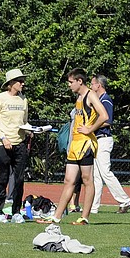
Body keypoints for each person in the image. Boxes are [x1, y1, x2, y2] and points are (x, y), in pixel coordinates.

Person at [44, 68, 109, 225]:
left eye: (71, 82)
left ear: (80, 81)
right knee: (69, 180)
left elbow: (104, 116)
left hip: (85, 144)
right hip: (75, 144)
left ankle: (84, 217)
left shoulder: (90, 95)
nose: (69, 85)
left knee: (87, 180)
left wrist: (90, 129)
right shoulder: (79, 97)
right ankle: (56, 216)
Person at [0, 69, 29, 219]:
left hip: (20, 144)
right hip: (3, 144)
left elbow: (23, 122)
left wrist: (31, 130)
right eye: (20, 81)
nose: (22, 84)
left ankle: (16, 212)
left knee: (19, 180)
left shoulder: (24, 100)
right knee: (2, 179)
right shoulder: (0, 99)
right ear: (11, 83)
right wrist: (3, 138)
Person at [89, 75, 130, 214]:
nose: (91, 86)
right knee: (96, 175)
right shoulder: (98, 100)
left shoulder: (105, 100)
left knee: (105, 172)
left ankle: (125, 200)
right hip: (97, 140)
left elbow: (108, 120)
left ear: (98, 86)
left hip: (103, 138)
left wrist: (91, 127)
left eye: (92, 84)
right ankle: (93, 207)